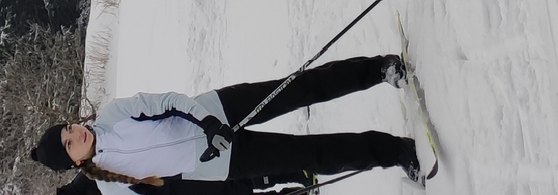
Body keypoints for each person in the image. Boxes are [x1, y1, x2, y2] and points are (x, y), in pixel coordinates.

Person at [28, 55, 421, 189]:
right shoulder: (113, 188)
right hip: (225, 162)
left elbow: (168, 103)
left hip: (221, 110)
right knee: (313, 155)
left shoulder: (114, 115)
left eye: (68, 129)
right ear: (74, 161)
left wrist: (208, 124)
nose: (75, 133)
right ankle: (396, 150)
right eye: (69, 143)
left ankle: (378, 69)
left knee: (300, 89)